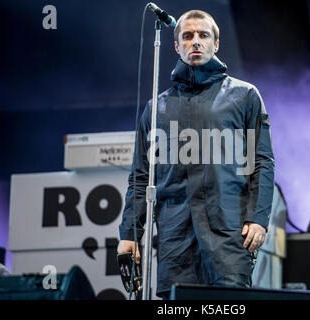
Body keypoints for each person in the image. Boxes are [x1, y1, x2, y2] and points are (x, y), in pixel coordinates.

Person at [117, 9, 275, 299]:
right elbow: (141, 176)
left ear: (217, 43)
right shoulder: (156, 108)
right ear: (176, 46)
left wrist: (259, 217)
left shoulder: (245, 96)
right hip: (175, 239)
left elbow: (262, 162)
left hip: (229, 234)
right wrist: (129, 233)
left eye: (203, 35)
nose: (196, 42)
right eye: (187, 36)